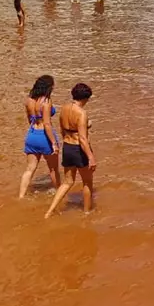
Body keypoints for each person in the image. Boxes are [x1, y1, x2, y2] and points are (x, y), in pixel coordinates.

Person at [45, 83, 96, 218]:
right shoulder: (82, 113)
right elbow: (83, 139)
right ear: (85, 98)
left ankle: (50, 211)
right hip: (79, 150)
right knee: (87, 182)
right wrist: (91, 157)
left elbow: (63, 130)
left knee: (67, 182)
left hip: (67, 147)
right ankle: (86, 213)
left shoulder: (64, 108)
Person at [19, 75, 61, 198]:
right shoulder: (46, 102)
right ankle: (59, 194)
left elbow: (29, 119)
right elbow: (47, 124)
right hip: (45, 137)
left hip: (31, 134)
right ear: (48, 87)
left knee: (29, 169)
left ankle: (21, 196)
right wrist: (53, 143)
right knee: (53, 169)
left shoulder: (28, 100)